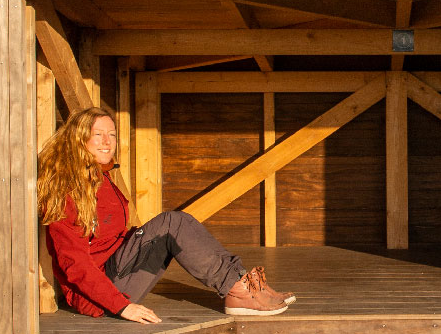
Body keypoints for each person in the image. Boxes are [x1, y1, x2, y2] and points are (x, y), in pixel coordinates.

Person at [38, 106, 293, 322]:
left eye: (112, 134)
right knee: (173, 222)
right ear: (79, 139)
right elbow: (74, 263)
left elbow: (110, 237)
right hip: (99, 295)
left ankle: (243, 284)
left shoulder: (101, 178)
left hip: (117, 275)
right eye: (98, 135)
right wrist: (122, 306)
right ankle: (239, 290)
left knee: (177, 222)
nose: (107, 141)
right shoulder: (66, 191)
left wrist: (138, 240)